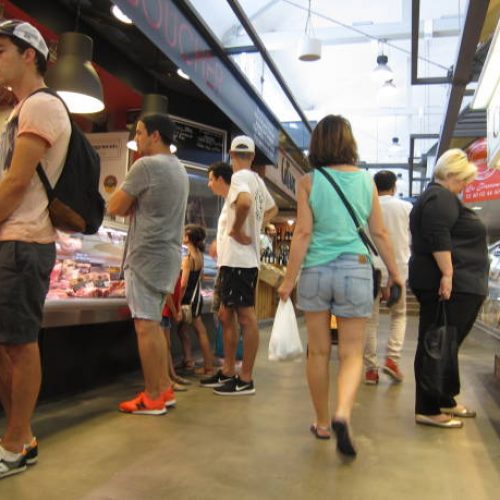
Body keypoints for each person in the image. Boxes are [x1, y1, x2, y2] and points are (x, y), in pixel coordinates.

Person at [278, 115, 401, 457]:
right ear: (349, 143)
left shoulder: (308, 181)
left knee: (317, 351)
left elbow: (302, 233)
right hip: (356, 269)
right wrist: (396, 274)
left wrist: (288, 281)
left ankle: (321, 422)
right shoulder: (366, 181)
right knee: (351, 353)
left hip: (316, 271)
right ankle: (343, 413)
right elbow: (380, 233)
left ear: (317, 144)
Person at [0, 19, 70, 479]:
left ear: (30, 54)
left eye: (1, 49)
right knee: (9, 344)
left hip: (25, 241)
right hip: (14, 239)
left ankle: (14, 443)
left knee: (21, 345)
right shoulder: (21, 108)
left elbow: (17, 181)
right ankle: (20, 435)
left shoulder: (41, 107)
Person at [108, 113, 189, 415]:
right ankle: (163, 388)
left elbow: (116, 206)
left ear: (156, 135)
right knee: (153, 325)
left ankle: (153, 395)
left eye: (140, 133)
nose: (137, 138)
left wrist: (129, 203)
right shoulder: (179, 170)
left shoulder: (146, 166)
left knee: (145, 326)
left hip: (144, 257)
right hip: (166, 256)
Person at [410, 149, 488, 428]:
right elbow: (437, 234)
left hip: (454, 282)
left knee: (442, 343)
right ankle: (428, 408)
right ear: (452, 174)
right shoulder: (440, 197)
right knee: (436, 343)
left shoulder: (438, 197)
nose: (465, 186)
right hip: (443, 283)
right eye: (463, 180)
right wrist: (447, 273)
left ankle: (442, 398)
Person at [203, 136, 277, 396]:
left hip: (239, 261)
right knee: (226, 315)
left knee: (245, 317)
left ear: (231, 154)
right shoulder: (256, 180)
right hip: (236, 261)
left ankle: (245, 378)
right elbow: (272, 209)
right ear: (253, 156)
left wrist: (237, 231)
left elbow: (245, 203)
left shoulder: (240, 178)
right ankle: (229, 371)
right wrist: (255, 229)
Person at [364, 170, 412, 384]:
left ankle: (371, 370)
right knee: (398, 315)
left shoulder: (366, 206)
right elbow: (410, 238)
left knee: (370, 320)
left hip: (369, 268)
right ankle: (392, 360)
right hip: (398, 269)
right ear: (394, 187)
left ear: (375, 187)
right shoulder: (406, 208)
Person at [176, 224, 214, 375]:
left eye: (185, 234)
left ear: (189, 238)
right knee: (182, 329)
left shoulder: (188, 259)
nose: (183, 237)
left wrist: (177, 303)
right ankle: (188, 360)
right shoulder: (200, 256)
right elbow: (202, 276)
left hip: (188, 300)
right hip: (197, 297)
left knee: (200, 331)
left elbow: (183, 284)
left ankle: (208, 367)